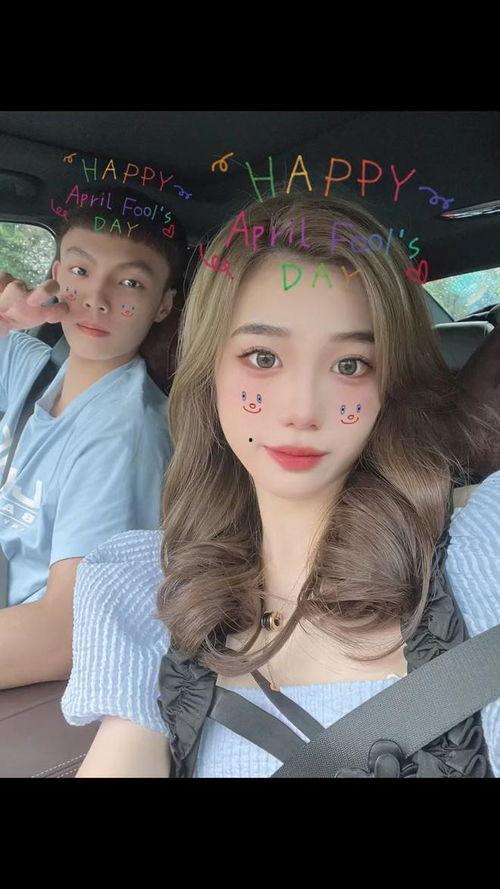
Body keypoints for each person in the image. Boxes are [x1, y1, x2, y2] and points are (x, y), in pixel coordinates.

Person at [62, 194, 500, 777]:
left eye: (350, 365)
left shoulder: (481, 543)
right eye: (263, 357)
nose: (301, 410)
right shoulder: (144, 589)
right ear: (210, 369)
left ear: (390, 382)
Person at [0, 187, 186, 689]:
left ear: (163, 305)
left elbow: (64, 633)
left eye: (129, 283)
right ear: (56, 275)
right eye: (81, 271)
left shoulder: (125, 434)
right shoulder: (38, 366)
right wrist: (7, 313)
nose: (97, 300)